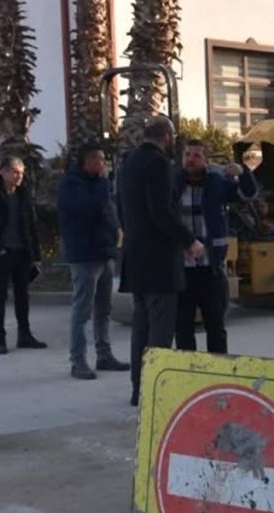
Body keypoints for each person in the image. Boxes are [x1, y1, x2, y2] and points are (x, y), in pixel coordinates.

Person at [118, 116, 204, 406]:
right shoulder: (158, 165)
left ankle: (137, 389)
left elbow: (121, 207)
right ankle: (157, 389)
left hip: (136, 256)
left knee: (140, 326)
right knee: (160, 328)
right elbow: (161, 210)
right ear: (167, 137)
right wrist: (188, 240)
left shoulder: (128, 163)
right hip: (158, 260)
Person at [174, 139, 257, 355]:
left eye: (196, 156)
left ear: (206, 161)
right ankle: (187, 372)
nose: (190, 159)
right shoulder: (172, 183)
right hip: (181, 270)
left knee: (216, 327)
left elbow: (248, 193)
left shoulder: (216, 182)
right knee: (183, 328)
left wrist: (243, 171)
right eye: (187, 154)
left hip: (210, 269)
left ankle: (218, 368)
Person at [57, 144, 129, 380]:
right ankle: (78, 361)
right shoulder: (72, 184)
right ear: (86, 162)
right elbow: (91, 209)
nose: (103, 164)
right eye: (99, 160)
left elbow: (109, 212)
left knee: (104, 308)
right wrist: (103, 184)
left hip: (104, 252)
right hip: (84, 255)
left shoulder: (99, 184)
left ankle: (104, 354)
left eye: (104, 159)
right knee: (82, 310)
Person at [0, 156, 47, 355]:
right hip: (2, 255)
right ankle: (0, 339)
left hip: (22, 253)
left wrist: (35, 254)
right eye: (15, 172)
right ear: (3, 172)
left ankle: (25, 334)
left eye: (21, 173)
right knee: (0, 297)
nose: (19, 176)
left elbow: (31, 225)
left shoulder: (24, 196)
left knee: (23, 296)